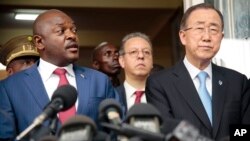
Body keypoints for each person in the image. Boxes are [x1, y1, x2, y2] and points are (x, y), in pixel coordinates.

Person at [0, 9, 117, 140]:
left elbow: (113, 134)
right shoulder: (9, 88)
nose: (72, 35)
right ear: (39, 42)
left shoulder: (100, 81)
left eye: (74, 30)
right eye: (61, 31)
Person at [146, 3, 250, 140]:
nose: (206, 37)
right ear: (183, 37)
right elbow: (166, 133)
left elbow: (244, 132)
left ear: (221, 37)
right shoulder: (159, 83)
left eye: (213, 29)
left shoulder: (238, 82)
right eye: (199, 28)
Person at [116, 32, 153, 113]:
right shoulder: (112, 96)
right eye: (133, 52)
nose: (141, 56)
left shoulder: (164, 96)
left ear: (152, 62)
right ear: (122, 61)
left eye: (146, 52)